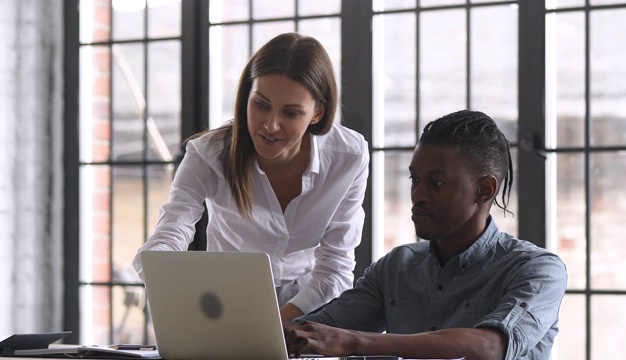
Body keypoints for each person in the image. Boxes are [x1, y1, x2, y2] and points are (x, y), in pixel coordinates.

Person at [284, 110, 567, 360]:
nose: (418, 195)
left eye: (437, 182)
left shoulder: (538, 270)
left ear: (485, 190)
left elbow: (490, 348)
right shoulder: (396, 267)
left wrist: (352, 342)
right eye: (415, 179)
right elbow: (318, 330)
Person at [132, 32, 369, 322]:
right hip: (224, 303)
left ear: (317, 112)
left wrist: (280, 323)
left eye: (291, 113)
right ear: (247, 96)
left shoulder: (349, 157)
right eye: (261, 105)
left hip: (311, 305)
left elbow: (335, 267)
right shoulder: (208, 154)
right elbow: (171, 233)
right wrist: (163, 272)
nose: (270, 125)